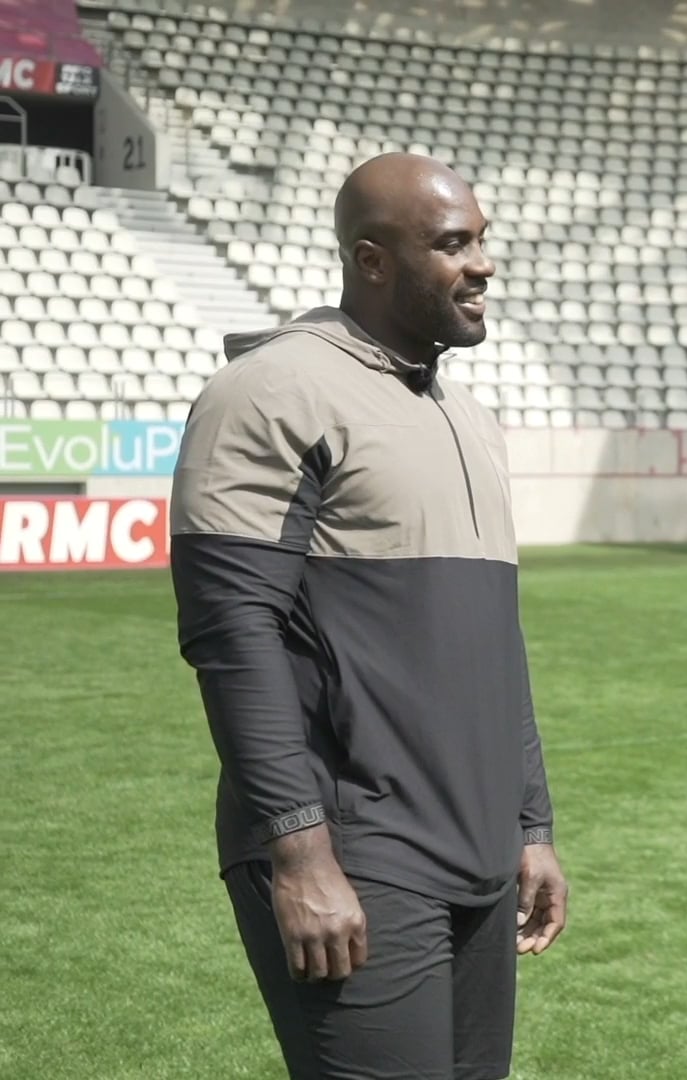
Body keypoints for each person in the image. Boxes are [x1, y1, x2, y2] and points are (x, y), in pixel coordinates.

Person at [169, 152, 568, 1080]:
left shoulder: (466, 416)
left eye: (482, 240)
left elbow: (492, 646)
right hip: (355, 849)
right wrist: (301, 857)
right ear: (372, 260)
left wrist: (529, 825)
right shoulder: (272, 392)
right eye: (452, 244)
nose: (483, 264)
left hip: (473, 843)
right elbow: (234, 636)